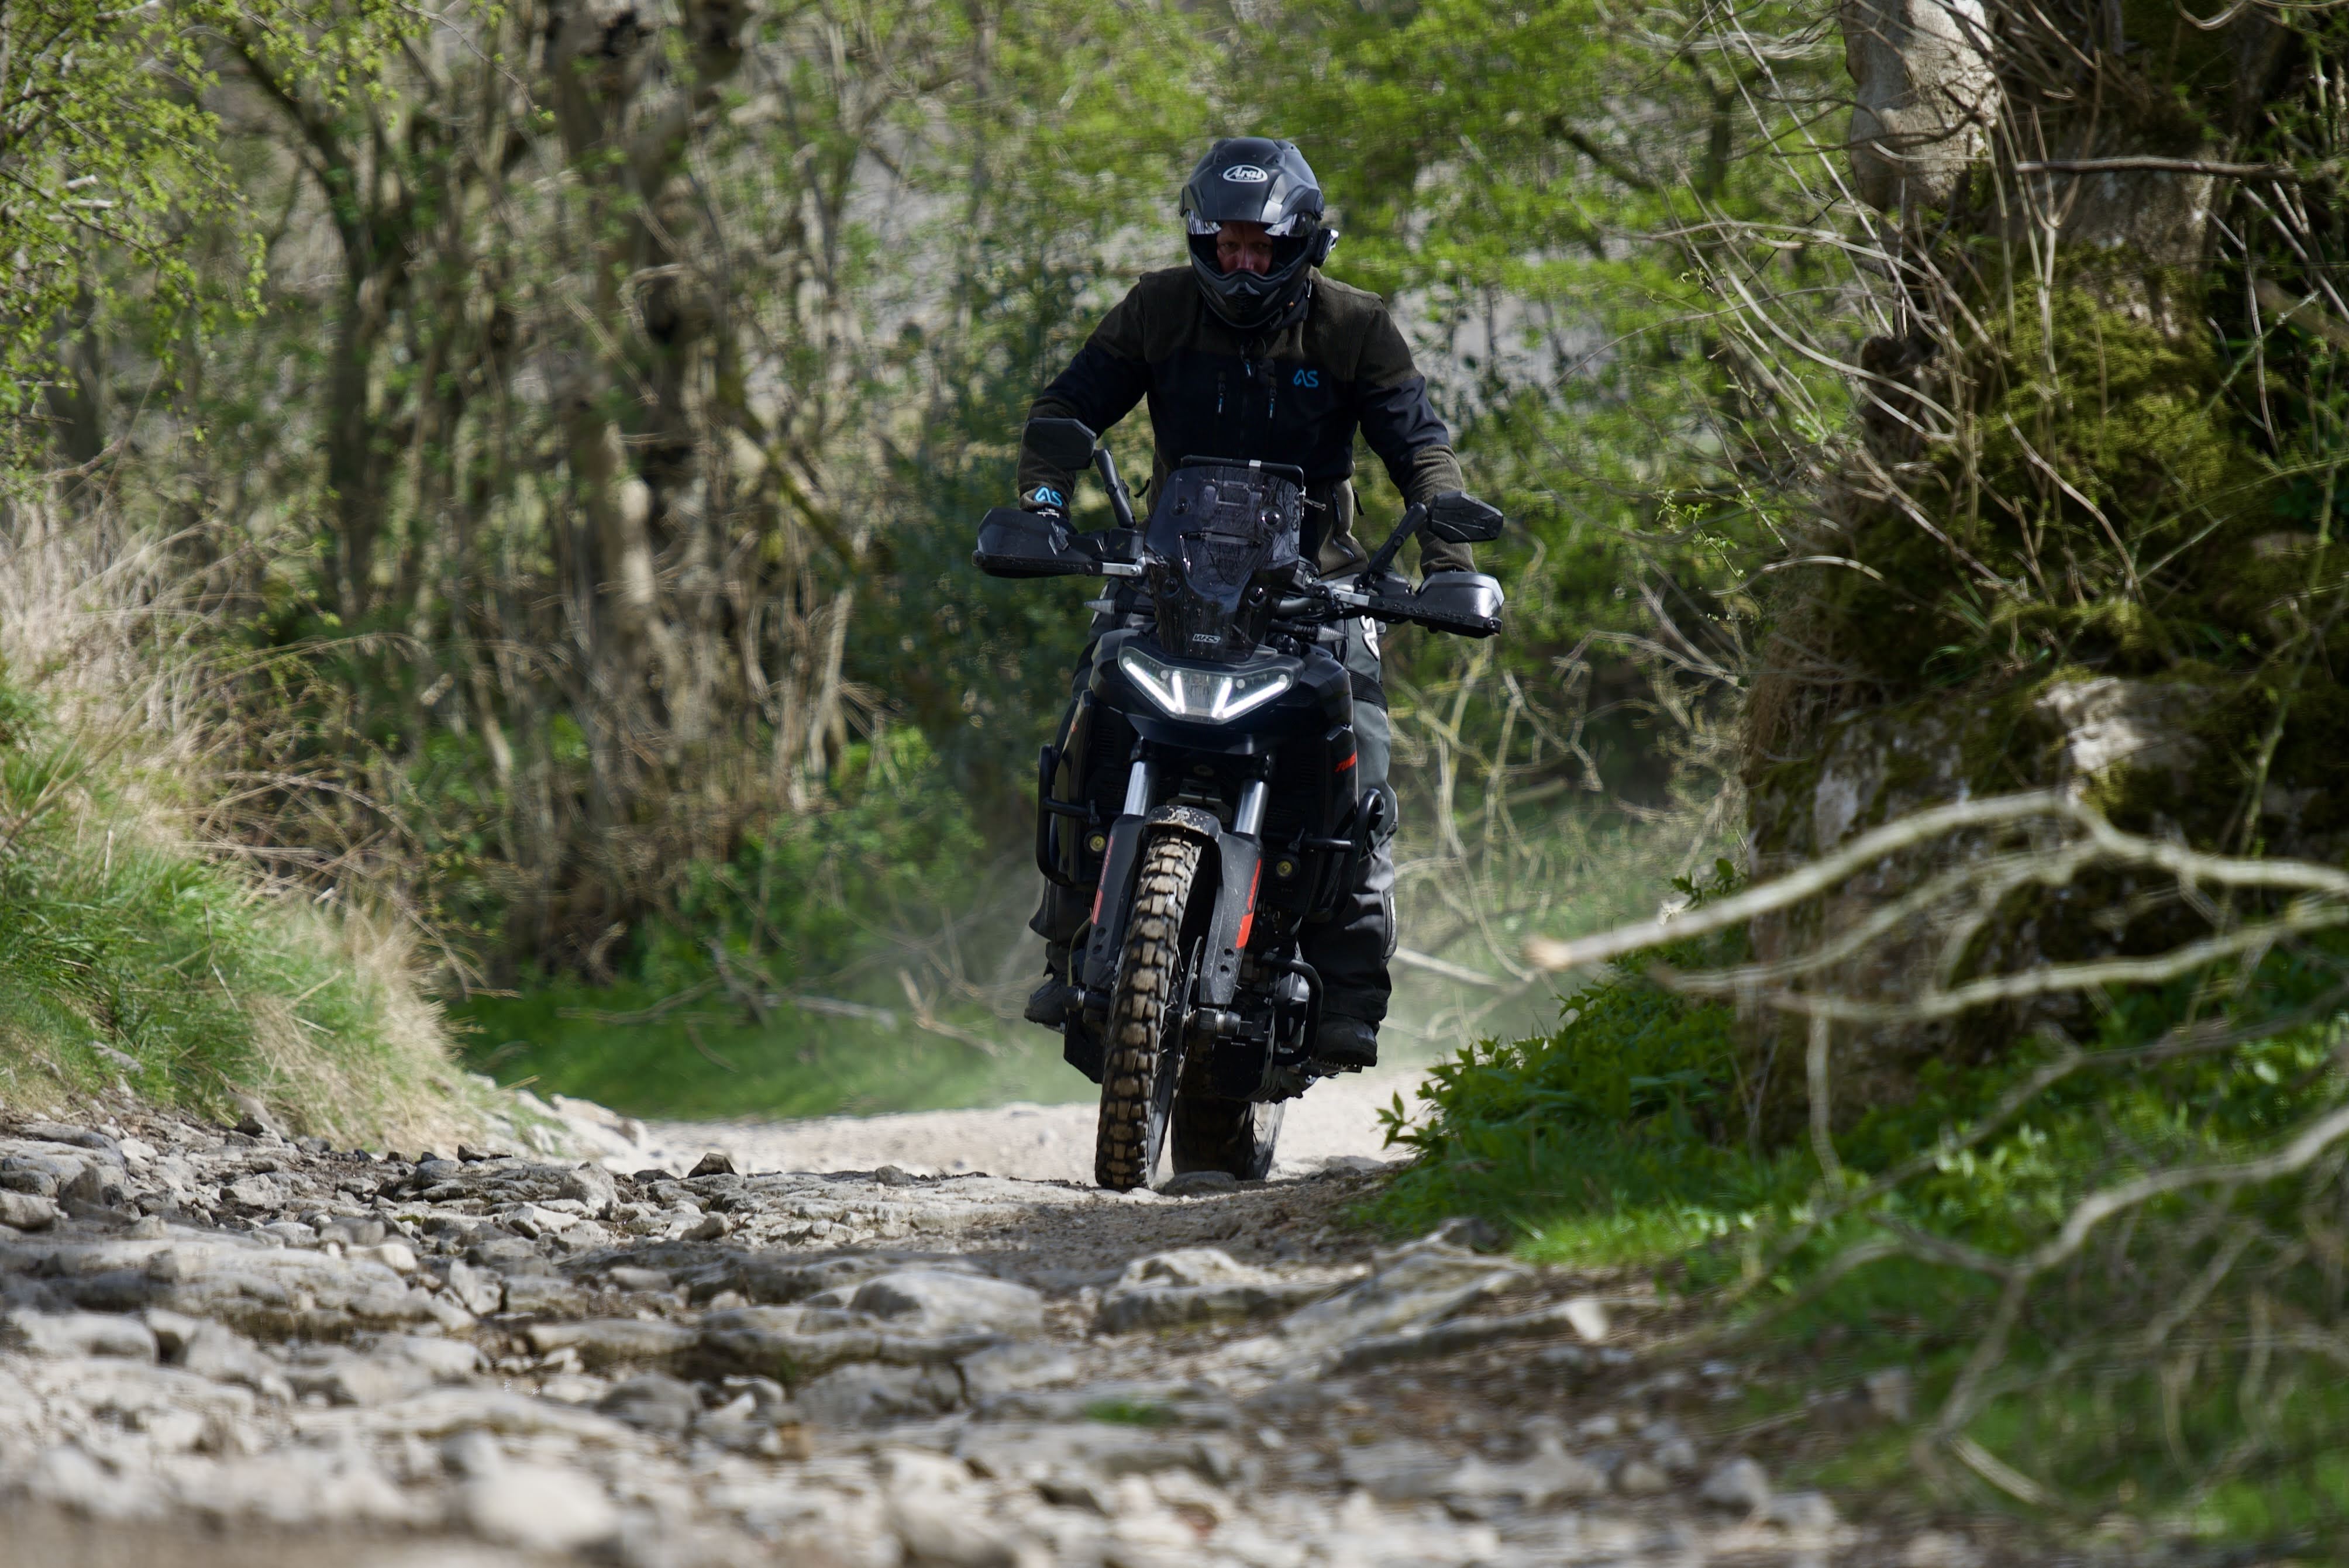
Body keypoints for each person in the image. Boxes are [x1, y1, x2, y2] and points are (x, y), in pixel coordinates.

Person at [1015, 136, 1487, 1072]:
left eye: (1258, 248)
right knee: (1084, 722)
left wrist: (1448, 562)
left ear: (1300, 243)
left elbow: (1421, 450)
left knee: (1367, 767)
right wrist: (1042, 506)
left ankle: (1351, 989)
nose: (1240, 263)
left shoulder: (1358, 326)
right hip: (1169, 573)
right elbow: (1066, 409)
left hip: (1317, 587)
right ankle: (1069, 941)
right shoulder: (1157, 307)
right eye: (1225, 244)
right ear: (1201, 238)